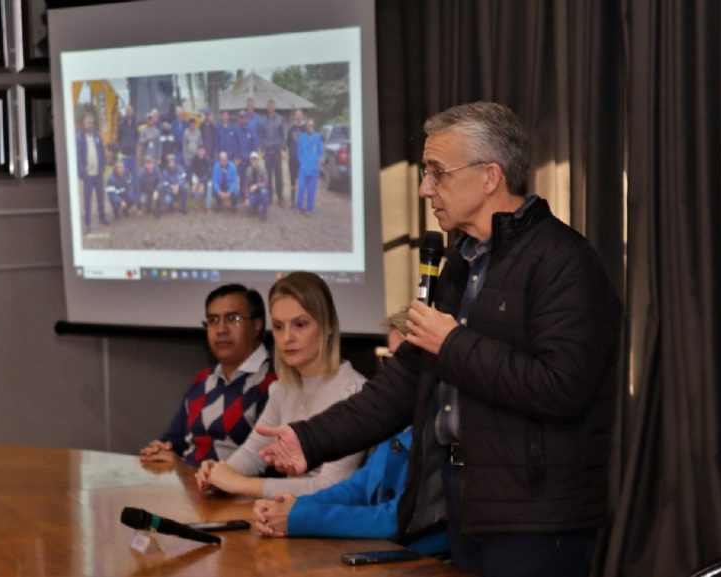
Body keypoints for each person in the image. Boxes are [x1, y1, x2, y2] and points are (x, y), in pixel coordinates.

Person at [257, 102, 622, 577]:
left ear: (490, 176)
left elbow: (562, 387)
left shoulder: (564, 261)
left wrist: (452, 344)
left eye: (437, 173)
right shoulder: (461, 265)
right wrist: (308, 439)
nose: (426, 188)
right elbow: (401, 385)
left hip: (537, 517)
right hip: (463, 504)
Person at [251, 309, 449, 556]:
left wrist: (299, 517)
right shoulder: (393, 420)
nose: (394, 375)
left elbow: (398, 518)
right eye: (389, 362)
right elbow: (359, 486)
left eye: (402, 364)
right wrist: (291, 506)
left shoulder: (446, 427)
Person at [195, 271, 366, 499]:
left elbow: (331, 487)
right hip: (287, 519)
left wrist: (240, 484)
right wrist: (219, 474)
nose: (287, 338)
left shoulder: (354, 392)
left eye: (300, 324)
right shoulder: (283, 388)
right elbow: (253, 453)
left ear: (328, 326)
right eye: (278, 326)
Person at [140, 284, 275, 466]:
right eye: (213, 320)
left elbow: (262, 463)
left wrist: (181, 467)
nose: (221, 330)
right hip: (192, 487)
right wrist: (161, 450)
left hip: (235, 491)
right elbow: (174, 442)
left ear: (257, 325)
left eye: (232, 319)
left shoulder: (274, 382)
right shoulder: (204, 379)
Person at [76, 112, 108, 230]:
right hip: (88, 175)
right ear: (84, 123)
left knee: (101, 196)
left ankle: (102, 216)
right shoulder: (79, 137)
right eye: (88, 122)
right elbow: (78, 156)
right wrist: (83, 171)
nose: (90, 124)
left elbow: (102, 152)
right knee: (87, 200)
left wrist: (103, 165)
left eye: (92, 122)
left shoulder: (96, 136)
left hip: (98, 174)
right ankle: (87, 223)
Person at [296, 117, 323, 216]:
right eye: (308, 125)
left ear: (313, 126)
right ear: (306, 126)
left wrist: (316, 162)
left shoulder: (317, 136)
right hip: (303, 168)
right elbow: (299, 151)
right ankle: (299, 207)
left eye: (312, 125)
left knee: (311, 190)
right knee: (301, 188)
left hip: (313, 169)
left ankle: (309, 209)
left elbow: (320, 151)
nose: (310, 127)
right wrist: (302, 162)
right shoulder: (302, 137)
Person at [261, 99, 284, 206]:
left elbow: (283, 136)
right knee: (268, 176)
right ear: (267, 108)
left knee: (279, 175)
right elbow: (261, 136)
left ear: (274, 107)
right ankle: (269, 196)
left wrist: (281, 148)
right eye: (269, 106)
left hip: (277, 151)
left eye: (272, 106)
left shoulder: (280, 119)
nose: (270, 108)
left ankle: (280, 197)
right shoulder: (263, 120)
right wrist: (263, 148)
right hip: (267, 152)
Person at [156, 153, 188, 218]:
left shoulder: (180, 168)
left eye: (173, 162)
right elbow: (164, 185)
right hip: (170, 192)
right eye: (170, 162)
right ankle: (170, 206)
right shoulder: (165, 172)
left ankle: (183, 208)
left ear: (175, 162)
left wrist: (178, 185)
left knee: (185, 187)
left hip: (179, 190)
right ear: (167, 163)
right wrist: (172, 189)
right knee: (168, 200)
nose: (171, 163)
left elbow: (184, 178)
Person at [285, 109, 305, 208]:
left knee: (301, 180)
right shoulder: (291, 129)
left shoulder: (305, 128)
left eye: (300, 115)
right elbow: (288, 143)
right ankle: (292, 199)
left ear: (302, 117)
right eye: (296, 115)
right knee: (292, 180)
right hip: (292, 159)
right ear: (294, 117)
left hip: (302, 160)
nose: (298, 117)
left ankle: (300, 200)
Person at [116, 105, 138, 190]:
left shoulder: (135, 124)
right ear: (125, 112)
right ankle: (125, 195)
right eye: (127, 110)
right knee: (124, 177)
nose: (129, 112)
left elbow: (137, 137)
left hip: (133, 156)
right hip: (124, 156)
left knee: (135, 177)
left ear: (132, 112)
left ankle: (135, 198)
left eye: (130, 110)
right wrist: (122, 147)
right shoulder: (121, 124)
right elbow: (119, 138)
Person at [244, 151, 268, 221]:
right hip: (254, 194)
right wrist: (246, 198)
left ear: (258, 160)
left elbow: (266, 183)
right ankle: (254, 206)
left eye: (255, 159)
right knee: (248, 207)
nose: (254, 161)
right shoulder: (248, 170)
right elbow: (245, 186)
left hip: (262, 192)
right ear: (250, 160)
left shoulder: (263, 169)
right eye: (252, 159)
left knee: (264, 192)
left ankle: (264, 213)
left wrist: (256, 186)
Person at [188, 143, 212, 211]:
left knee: (205, 187)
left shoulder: (207, 159)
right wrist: (194, 177)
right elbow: (191, 170)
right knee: (194, 187)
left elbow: (208, 173)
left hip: (205, 178)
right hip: (196, 177)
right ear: (197, 151)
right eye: (199, 150)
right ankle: (196, 203)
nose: (201, 152)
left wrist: (202, 183)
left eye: (202, 151)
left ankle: (207, 205)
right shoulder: (194, 159)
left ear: (204, 151)